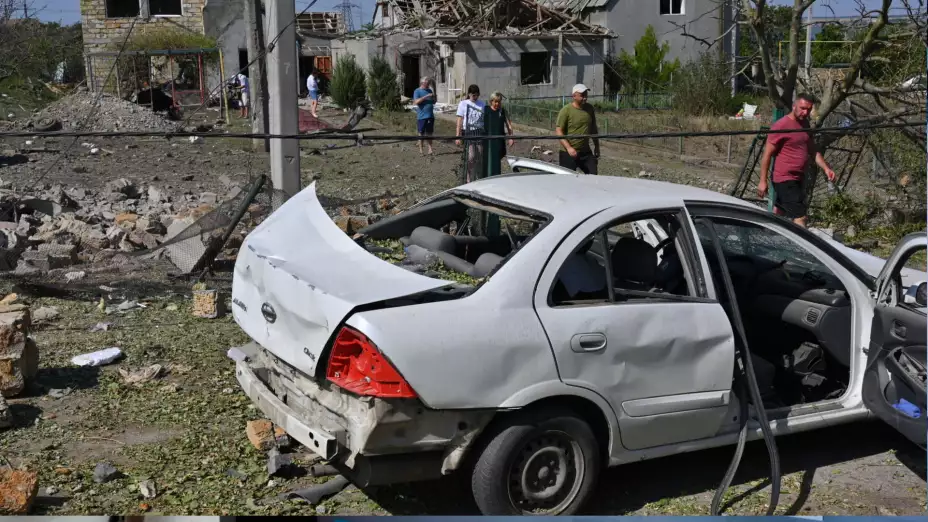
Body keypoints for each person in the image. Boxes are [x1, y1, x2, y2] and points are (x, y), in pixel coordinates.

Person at [758, 93, 837, 228]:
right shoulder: (781, 126)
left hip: (799, 177)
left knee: (780, 211)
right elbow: (767, 155)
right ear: (794, 106)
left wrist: (826, 168)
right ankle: (803, 247)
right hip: (784, 178)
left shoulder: (805, 124)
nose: (805, 112)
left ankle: (769, 235)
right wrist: (762, 181)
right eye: (802, 108)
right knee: (800, 216)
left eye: (808, 109)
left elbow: (813, 151)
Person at [555, 84, 600, 174]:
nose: (585, 98)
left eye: (586, 95)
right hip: (568, 153)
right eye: (582, 95)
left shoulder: (589, 109)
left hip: (585, 152)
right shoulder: (566, 110)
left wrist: (597, 146)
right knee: (568, 180)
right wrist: (569, 148)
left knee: (593, 176)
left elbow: (593, 129)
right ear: (574, 96)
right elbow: (559, 131)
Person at [455, 84, 487, 183]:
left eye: (477, 95)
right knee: (471, 156)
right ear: (469, 94)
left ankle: (478, 176)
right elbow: (459, 121)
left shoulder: (482, 104)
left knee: (480, 155)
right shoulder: (463, 104)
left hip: (479, 132)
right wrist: (458, 136)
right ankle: (468, 178)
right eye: (473, 95)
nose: (475, 97)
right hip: (468, 132)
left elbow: (485, 118)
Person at [484, 92, 515, 177]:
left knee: (497, 161)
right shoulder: (486, 110)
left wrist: (511, 137)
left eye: (499, 102)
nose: (497, 104)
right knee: (488, 161)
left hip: (499, 141)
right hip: (488, 141)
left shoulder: (502, 111)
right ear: (491, 101)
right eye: (495, 102)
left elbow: (509, 125)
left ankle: (496, 177)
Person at [412, 77, 436, 155]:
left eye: (429, 82)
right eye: (427, 82)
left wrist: (434, 98)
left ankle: (430, 149)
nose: (429, 83)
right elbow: (416, 102)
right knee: (421, 133)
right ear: (422, 82)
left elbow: (433, 102)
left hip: (430, 115)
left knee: (429, 133)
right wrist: (426, 96)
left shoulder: (429, 90)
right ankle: (421, 150)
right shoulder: (417, 91)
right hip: (422, 116)